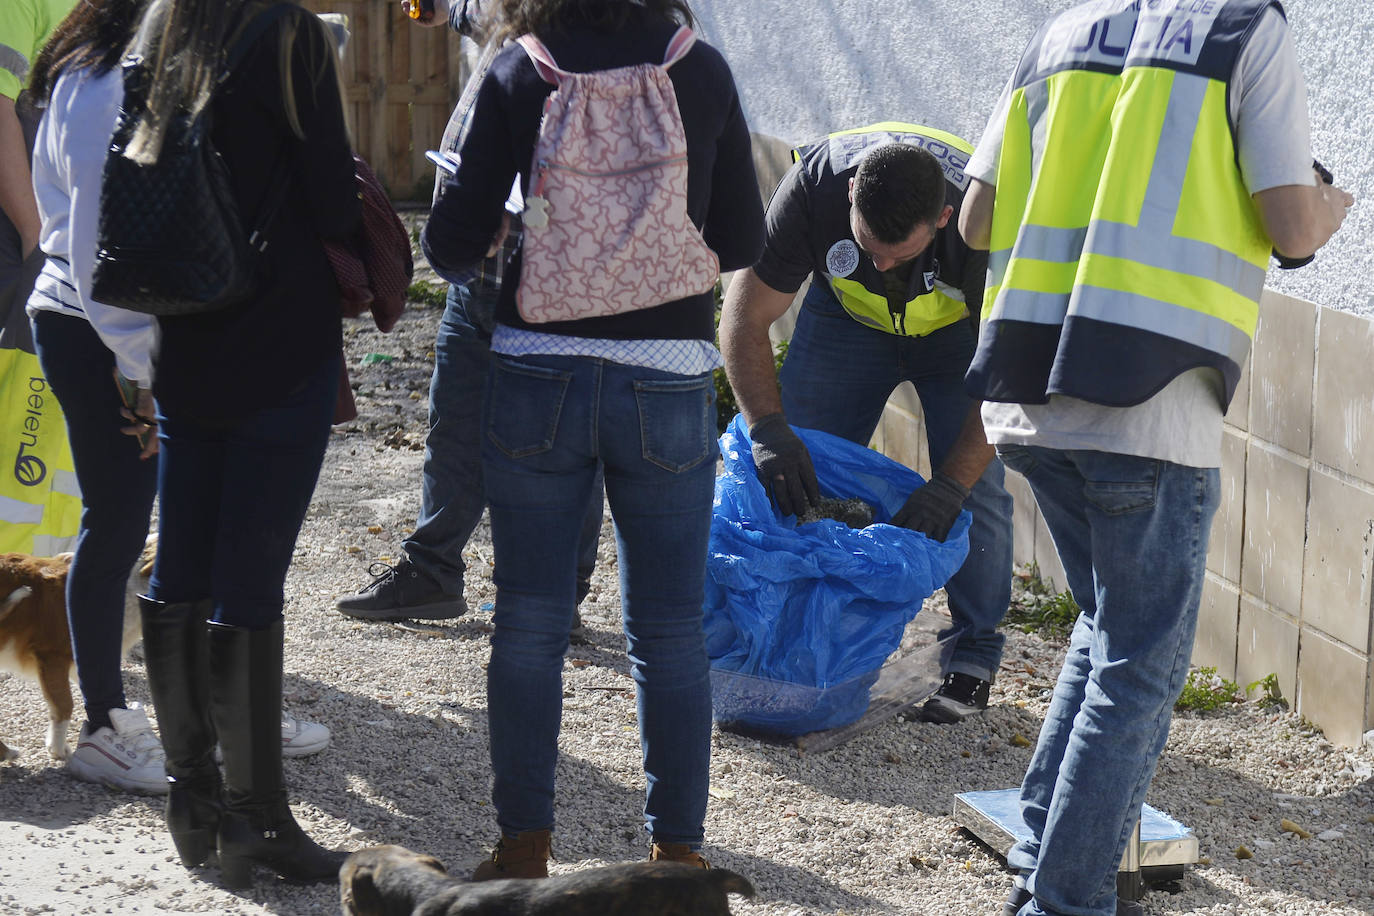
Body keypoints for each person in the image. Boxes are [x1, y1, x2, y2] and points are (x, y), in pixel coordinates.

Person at [956, 3, 1353, 915]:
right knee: (1140, 665)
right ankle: (1063, 900)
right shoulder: (1243, 28)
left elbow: (976, 219)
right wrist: (1327, 205)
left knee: (1107, 630)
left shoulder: (1064, 29)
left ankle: (1038, 861)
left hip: (1028, 396)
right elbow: (1290, 227)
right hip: (1149, 398)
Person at [422, 0, 763, 877]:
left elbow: (449, 243)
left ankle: (525, 844)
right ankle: (678, 856)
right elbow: (738, 240)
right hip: (668, 377)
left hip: (537, 367)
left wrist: (511, 228)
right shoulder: (702, 68)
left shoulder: (518, 68)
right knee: (669, 629)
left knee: (530, 620)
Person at [24, 0, 332, 798]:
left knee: (168, 527)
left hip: (117, 321)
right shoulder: (107, 77)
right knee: (120, 518)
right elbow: (102, 251)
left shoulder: (105, 59)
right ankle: (104, 723)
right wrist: (143, 371)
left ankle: (223, 712)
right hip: (101, 323)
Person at [113, 0, 360, 887]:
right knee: (247, 586)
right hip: (277, 333)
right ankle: (256, 820)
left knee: (180, 571)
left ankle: (196, 805)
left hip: (187, 331)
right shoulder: (287, 31)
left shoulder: (160, 26)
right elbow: (334, 198)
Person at [718, 124, 1015, 722]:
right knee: (793, 470)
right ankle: (784, 639)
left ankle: (974, 656)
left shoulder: (989, 224)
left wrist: (951, 483)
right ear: (851, 192)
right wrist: (770, 429)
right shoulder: (812, 190)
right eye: (868, 246)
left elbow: (1009, 370)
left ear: (943, 219)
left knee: (975, 493)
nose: (879, 263)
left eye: (896, 254)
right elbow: (744, 318)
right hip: (845, 320)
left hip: (958, 336)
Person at [335, 0, 603, 638]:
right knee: (453, 427)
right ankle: (432, 571)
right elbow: (464, 9)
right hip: (475, 276)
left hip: (555, 287)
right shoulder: (511, 17)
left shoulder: (611, 40)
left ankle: (558, 595)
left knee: (564, 444)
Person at [0, 0, 79, 551]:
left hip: (68, 245)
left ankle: (53, 602)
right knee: (23, 423)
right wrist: (36, 236)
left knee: (64, 430)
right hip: (32, 242)